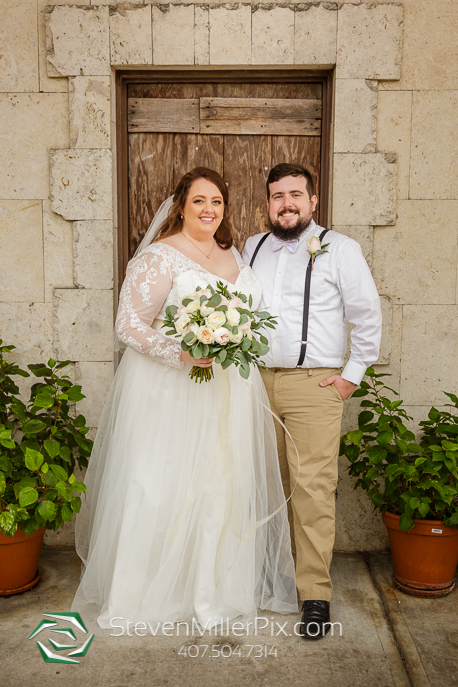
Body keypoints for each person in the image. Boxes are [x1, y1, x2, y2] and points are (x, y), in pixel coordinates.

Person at [72, 167, 298, 632]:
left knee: (220, 486)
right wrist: (184, 354)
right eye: (199, 201)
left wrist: (233, 339)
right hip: (170, 392)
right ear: (180, 206)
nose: (209, 210)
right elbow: (128, 326)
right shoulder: (161, 256)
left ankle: (211, 590)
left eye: (217, 202)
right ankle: (150, 591)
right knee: (162, 483)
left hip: (227, 390)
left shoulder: (230, 252)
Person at [242, 163, 382, 640]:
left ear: (313, 201)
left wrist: (350, 378)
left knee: (312, 489)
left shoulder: (340, 249)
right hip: (255, 382)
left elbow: (366, 315)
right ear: (267, 204)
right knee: (262, 484)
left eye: (296, 194)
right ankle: (269, 579)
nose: (287, 204)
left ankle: (314, 596)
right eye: (278, 196)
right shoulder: (251, 248)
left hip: (314, 385)